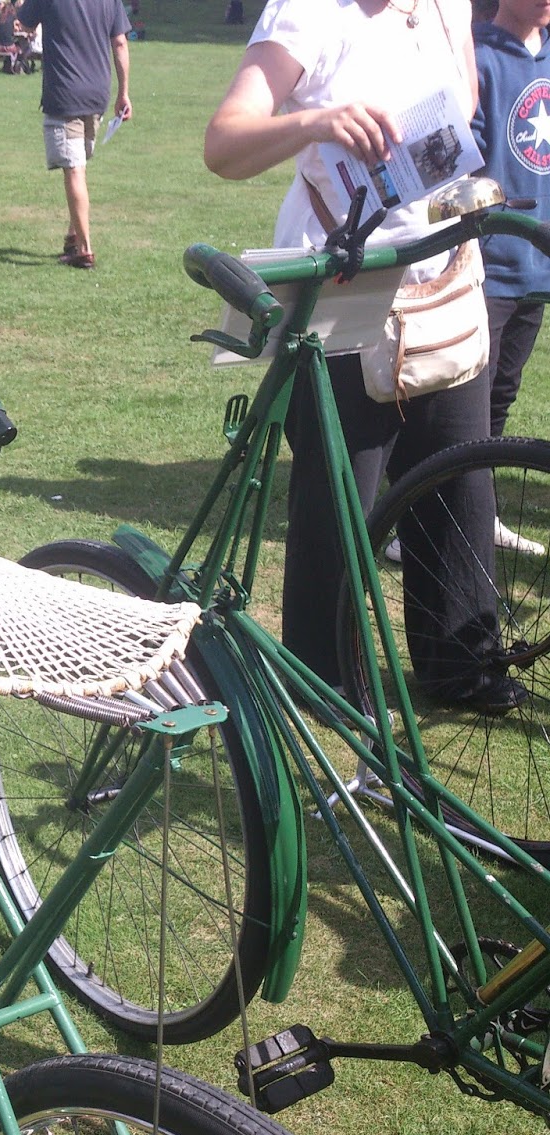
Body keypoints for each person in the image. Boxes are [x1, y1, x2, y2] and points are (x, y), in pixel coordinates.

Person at [205, 0, 523, 713]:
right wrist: (317, 123)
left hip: (443, 279)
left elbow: (462, 108)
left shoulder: (446, 4)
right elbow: (223, 144)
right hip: (345, 293)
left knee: (459, 479)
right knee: (341, 497)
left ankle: (461, 667)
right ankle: (324, 678)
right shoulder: (308, 11)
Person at [473, 0, 550, 442]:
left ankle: (482, 482)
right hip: (488, 270)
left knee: (503, 392)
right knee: (471, 399)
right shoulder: (478, 59)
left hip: (537, 265)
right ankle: (455, 482)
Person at [15, 0, 132, 268]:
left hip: (64, 93)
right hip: (97, 94)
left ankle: (84, 250)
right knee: (79, 167)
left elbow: (25, 24)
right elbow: (120, 43)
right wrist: (123, 93)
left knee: (74, 170)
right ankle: (73, 236)